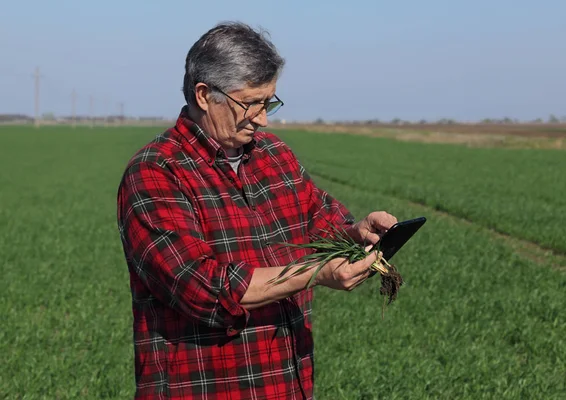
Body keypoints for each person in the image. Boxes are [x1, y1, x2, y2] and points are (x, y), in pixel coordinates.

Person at [117, 21, 398, 400]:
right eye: (251, 103)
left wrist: (356, 233)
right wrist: (315, 271)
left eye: (269, 102)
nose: (263, 118)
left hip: (286, 385)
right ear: (204, 95)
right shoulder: (156, 172)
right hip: (206, 389)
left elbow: (320, 221)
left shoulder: (275, 156)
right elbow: (204, 287)